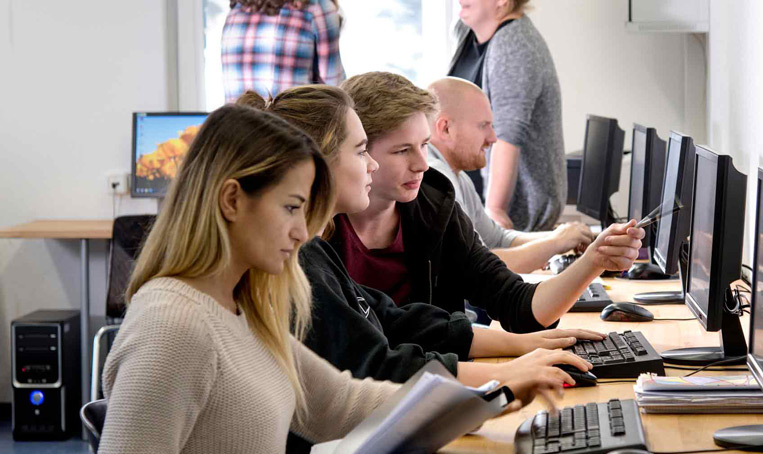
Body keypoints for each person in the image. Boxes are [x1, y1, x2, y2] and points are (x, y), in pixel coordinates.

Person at [90, 105, 567, 454]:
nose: (303, 233)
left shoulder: (243, 306)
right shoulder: (172, 323)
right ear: (232, 201)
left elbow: (340, 400)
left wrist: (485, 398)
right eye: (291, 209)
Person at [238, 85, 597, 385]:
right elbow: (375, 366)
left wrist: (523, 347)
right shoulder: (299, 257)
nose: (423, 164)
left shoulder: (321, 249)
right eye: (362, 151)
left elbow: (396, 321)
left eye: (425, 145)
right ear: (317, 163)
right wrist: (503, 376)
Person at [337, 71, 644, 333]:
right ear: (359, 152)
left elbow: (517, 304)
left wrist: (593, 261)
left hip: (441, 376)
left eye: (425, 145)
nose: (422, 164)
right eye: (403, 150)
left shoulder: (434, 206)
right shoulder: (320, 232)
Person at [428, 76, 592, 273]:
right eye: (483, 125)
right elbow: (475, 267)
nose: (493, 138)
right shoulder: (437, 179)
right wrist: (556, 242)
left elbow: (498, 239)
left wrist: (562, 236)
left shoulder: (457, 175)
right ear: (445, 128)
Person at [449, 0, 566, 232]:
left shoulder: (515, 44)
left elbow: (507, 134)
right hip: (471, 208)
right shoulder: (466, 32)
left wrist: (495, 209)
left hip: (513, 218)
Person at [221, 0, 344, 103]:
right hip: (290, 123)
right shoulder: (317, 6)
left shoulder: (235, 12)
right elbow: (337, 91)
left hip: (236, 123)